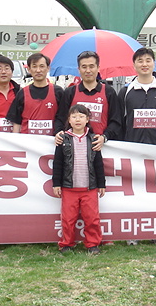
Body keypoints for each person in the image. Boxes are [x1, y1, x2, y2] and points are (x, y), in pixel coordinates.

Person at [119, 48, 156, 245]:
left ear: (154, 63)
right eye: (140, 61)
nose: (144, 64)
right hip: (133, 150)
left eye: (148, 60)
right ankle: (133, 233)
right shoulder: (126, 91)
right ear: (134, 65)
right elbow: (120, 121)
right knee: (134, 192)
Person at [52, 104, 105, 254]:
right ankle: (67, 244)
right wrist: (56, 183)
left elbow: (98, 164)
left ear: (87, 119)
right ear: (69, 119)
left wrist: (101, 184)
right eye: (74, 116)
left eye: (81, 116)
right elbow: (58, 163)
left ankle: (92, 244)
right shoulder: (63, 139)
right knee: (68, 219)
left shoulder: (93, 139)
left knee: (92, 218)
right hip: (69, 188)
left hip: (90, 188)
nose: (77, 120)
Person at [54, 51, 122, 150]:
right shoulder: (70, 92)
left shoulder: (109, 92)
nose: (88, 70)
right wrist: (59, 132)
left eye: (91, 66)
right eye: (84, 67)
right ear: (79, 69)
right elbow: (60, 118)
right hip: (74, 147)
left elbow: (116, 121)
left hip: (101, 148)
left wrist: (104, 137)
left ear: (98, 68)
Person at [7, 53, 63, 135]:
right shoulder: (22, 93)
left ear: (48, 68)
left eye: (42, 66)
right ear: (29, 69)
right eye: (34, 66)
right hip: (28, 141)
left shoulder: (58, 92)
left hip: (51, 141)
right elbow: (17, 122)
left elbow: (63, 118)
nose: (38, 70)